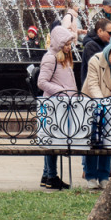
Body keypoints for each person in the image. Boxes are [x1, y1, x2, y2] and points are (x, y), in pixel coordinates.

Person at [80, 37, 111, 189]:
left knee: (108, 140)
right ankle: (90, 175)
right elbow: (92, 83)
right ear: (107, 55)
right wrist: (101, 102)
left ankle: (104, 174)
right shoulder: (95, 61)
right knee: (92, 140)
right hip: (93, 101)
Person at [36, 24, 76, 190]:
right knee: (52, 141)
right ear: (58, 43)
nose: (69, 47)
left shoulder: (62, 57)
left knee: (53, 139)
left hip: (63, 104)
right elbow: (41, 82)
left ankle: (47, 175)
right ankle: (52, 176)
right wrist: (61, 91)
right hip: (54, 104)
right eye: (66, 44)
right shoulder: (50, 58)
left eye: (69, 44)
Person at [80, 17, 111, 81]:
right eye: (110, 33)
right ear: (100, 31)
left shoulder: (104, 42)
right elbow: (100, 69)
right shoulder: (91, 46)